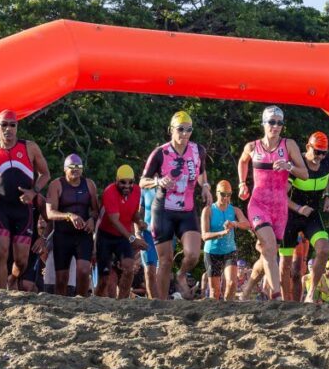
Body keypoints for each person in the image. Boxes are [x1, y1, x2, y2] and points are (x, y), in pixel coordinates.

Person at [0, 110, 50, 290]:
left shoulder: (30, 147)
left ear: (17, 127)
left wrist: (34, 191)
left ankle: (13, 278)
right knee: (0, 252)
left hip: (24, 210)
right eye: (4, 124)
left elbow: (45, 174)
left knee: (21, 260)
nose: (8, 129)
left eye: (12, 125)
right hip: (1, 209)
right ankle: (1, 294)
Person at [237, 106, 308, 300]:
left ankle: (246, 290)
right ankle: (276, 296)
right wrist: (242, 183)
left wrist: (289, 166)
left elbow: (305, 174)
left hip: (280, 208)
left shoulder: (289, 145)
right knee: (268, 247)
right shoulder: (252, 147)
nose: (275, 126)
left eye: (279, 123)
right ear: (264, 123)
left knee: (268, 252)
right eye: (271, 122)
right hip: (258, 204)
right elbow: (243, 162)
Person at [141, 111, 211, 300]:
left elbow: (202, 172)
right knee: (165, 261)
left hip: (186, 210)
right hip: (163, 209)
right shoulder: (160, 152)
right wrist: (158, 182)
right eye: (181, 129)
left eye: (189, 129)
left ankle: (180, 274)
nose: (185, 133)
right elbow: (142, 181)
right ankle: (161, 304)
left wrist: (205, 186)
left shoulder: (198, 150)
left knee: (193, 254)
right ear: (171, 130)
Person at [280, 131, 329, 303]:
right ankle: (286, 302)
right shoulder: (296, 164)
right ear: (307, 147)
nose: (320, 156)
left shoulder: (326, 162)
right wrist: (298, 208)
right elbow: (281, 195)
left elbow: (326, 180)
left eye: (323, 152)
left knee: (324, 249)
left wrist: (326, 196)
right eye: (317, 151)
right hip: (290, 215)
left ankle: (311, 294)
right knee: (290, 267)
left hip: (311, 214)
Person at [46, 154, 99, 297]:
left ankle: (80, 301)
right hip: (62, 235)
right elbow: (50, 213)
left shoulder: (89, 184)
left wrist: (92, 220)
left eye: (79, 167)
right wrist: (68, 215)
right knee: (61, 279)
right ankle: (61, 306)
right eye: (72, 167)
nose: (75, 170)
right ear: (65, 169)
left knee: (83, 271)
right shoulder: (56, 184)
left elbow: (95, 210)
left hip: (83, 234)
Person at [96, 165, 148, 299]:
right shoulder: (109, 192)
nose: (127, 186)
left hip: (122, 237)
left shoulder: (137, 191)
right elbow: (114, 220)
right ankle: (96, 300)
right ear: (116, 181)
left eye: (130, 182)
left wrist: (139, 222)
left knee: (129, 268)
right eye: (123, 182)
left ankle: (123, 302)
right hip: (106, 235)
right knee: (104, 278)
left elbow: (133, 213)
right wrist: (132, 239)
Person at [201, 180, 251, 300]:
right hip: (212, 252)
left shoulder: (234, 210)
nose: (226, 198)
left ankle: (228, 310)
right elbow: (204, 235)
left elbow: (247, 224)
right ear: (217, 193)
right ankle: (218, 315)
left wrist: (234, 223)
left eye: (229, 195)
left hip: (229, 250)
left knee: (232, 283)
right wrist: (221, 233)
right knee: (215, 291)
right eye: (223, 194)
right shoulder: (208, 210)